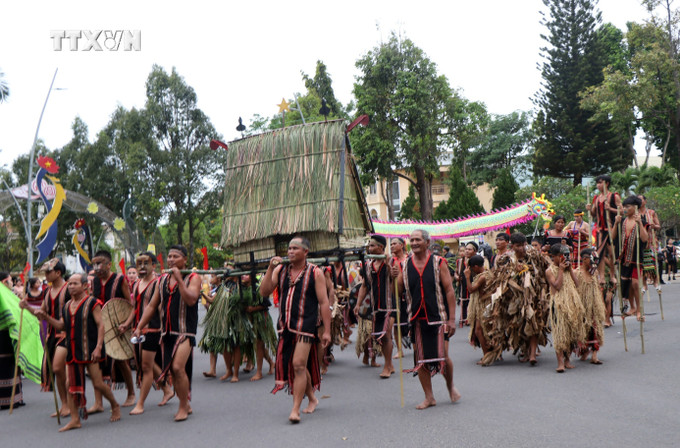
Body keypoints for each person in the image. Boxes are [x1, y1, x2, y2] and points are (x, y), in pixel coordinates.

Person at [259, 236, 331, 423]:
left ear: (305, 252)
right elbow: (264, 292)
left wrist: (327, 331)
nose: (290, 251)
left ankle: (295, 409)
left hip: (306, 327)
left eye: (295, 248)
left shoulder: (315, 272)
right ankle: (312, 398)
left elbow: (324, 302)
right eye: (289, 248)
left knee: (298, 364)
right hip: (285, 326)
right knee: (297, 365)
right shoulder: (280, 270)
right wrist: (269, 268)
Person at [36, 274, 121, 431]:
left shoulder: (93, 303)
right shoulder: (67, 305)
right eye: (69, 284)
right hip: (74, 349)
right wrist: (46, 316)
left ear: (84, 286)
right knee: (70, 384)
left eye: (75, 284)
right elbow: (62, 326)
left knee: (98, 383)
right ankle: (75, 419)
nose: (71, 286)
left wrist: (98, 347)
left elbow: (101, 325)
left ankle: (115, 405)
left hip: (90, 349)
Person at [133, 245, 201, 422]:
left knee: (178, 367)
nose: (171, 260)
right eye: (169, 256)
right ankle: (184, 401)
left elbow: (192, 300)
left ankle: (182, 407)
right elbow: (152, 306)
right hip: (167, 333)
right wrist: (140, 326)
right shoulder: (162, 280)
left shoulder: (193, 278)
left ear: (185, 260)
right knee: (174, 370)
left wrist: (179, 280)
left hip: (185, 331)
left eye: (175, 256)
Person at [397, 229, 460, 409]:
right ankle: (429, 397)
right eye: (412, 240)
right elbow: (398, 290)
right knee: (420, 360)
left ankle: (450, 387)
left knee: (443, 356)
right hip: (416, 318)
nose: (414, 243)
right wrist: (393, 277)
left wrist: (451, 319)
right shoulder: (404, 265)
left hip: (438, 317)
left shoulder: (439, 263)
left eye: (417, 239)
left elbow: (449, 291)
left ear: (427, 242)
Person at [482, 233, 550, 366]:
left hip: (532, 296)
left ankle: (531, 355)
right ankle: (523, 349)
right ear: (512, 246)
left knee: (533, 320)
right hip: (513, 297)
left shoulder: (534, 256)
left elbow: (543, 271)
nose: (522, 248)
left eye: (524, 245)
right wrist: (513, 270)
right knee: (519, 324)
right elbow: (498, 277)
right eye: (518, 246)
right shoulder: (506, 259)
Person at [19, 259, 70, 417]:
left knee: (58, 369)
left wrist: (46, 317)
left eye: (48, 272)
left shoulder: (69, 289)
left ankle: (72, 405)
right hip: (52, 336)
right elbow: (41, 314)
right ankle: (65, 405)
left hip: (68, 335)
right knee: (57, 372)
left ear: (58, 273)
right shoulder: (48, 292)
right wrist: (27, 307)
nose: (46, 275)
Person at [127, 252, 174, 415]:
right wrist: (127, 324)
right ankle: (167, 389)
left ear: (154, 265)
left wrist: (165, 330)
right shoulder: (136, 283)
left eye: (145, 263)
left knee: (146, 366)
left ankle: (140, 403)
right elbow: (135, 308)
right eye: (138, 263)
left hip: (154, 329)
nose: (141, 267)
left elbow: (162, 308)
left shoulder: (160, 283)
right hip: (139, 329)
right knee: (146, 364)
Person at [89, 250, 135, 412]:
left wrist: (126, 324)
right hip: (99, 326)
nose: (96, 267)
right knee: (97, 364)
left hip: (118, 325)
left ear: (109, 265)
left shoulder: (120, 279)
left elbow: (130, 305)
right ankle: (98, 403)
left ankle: (131, 393)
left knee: (121, 359)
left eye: (99, 263)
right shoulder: (94, 281)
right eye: (94, 264)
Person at [355, 235, 395, 379]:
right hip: (375, 306)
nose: (370, 249)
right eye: (369, 246)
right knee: (380, 336)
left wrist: (391, 267)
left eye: (372, 246)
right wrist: (358, 304)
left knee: (386, 335)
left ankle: (387, 366)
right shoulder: (368, 266)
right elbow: (365, 286)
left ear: (381, 248)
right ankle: (389, 364)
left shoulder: (390, 261)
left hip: (390, 305)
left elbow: (396, 279)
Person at [545, 244, 586, 373]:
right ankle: (560, 363)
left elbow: (577, 284)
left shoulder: (569, 268)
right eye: (563, 255)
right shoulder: (549, 271)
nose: (565, 258)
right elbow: (557, 286)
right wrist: (561, 271)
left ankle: (568, 360)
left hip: (571, 302)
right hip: (558, 303)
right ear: (555, 256)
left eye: (567, 255)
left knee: (570, 332)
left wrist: (570, 270)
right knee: (559, 333)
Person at [612, 196, 648, 321]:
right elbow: (612, 237)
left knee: (636, 283)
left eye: (628, 207)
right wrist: (616, 223)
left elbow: (645, 239)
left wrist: (640, 224)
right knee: (626, 284)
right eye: (624, 207)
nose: (625, 209)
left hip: (636, 258)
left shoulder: (641, 221)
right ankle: (632, 307)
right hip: (623, 258)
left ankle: (639, 309)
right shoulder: (621, 221)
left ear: (635, 207)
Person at [588, 174, 622, 288]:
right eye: (597, 183)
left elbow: (621, 211)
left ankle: (612, 275)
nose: (598, 185)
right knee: (600, 253)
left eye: (600, 182)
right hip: (600, 230)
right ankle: (601, 276)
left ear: (606, 183)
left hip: (612, 228)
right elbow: (593, 214)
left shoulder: (614, 196)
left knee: (612, 253)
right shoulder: (597, 198)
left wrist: (610, 209)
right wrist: (590, 209)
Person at [576, 248, 606, 364]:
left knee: (595, 328)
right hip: (581, 306)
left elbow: (598, 288)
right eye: (592, 259)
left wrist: (601, 304)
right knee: (583, 329)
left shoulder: (595, 273)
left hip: (594, 305)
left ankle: (594, 354)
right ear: (584, 259)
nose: (594, 263)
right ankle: (584, 351)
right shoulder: (576, 273)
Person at [244, 275, 276, 381]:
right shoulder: (243, 289)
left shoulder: (258, 288)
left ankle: (259, 372)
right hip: (251, 321)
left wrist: (253, 308)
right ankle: (271, 363)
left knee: (259, 344)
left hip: (261, 320)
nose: (244, 276)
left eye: (246, 275)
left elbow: (267, 304)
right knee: (259, 345)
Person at [0, 272, 25, 410]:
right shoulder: (3, 295)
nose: (12, 284)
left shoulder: (8, 295)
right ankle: (9, 400)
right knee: (7, 365)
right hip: (4, 335)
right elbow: (10, 316)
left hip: (4, 335)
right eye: (10, 281)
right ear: (4, 282)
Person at [465, 255, 493, 365]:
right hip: (486, 305)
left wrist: (467, 277)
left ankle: (486, 355)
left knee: (479, 330)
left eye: (471, 268)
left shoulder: (482, 277)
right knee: (485, 330)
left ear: (476, 267)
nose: (471, 271)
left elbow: (471, 290)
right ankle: (490, 353)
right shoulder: (488, 272)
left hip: (484, 306)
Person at [638, 195, 662, 293]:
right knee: (642, 264)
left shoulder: (651, 212)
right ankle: (644, 284)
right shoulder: (635, 213)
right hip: (641, 242)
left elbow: (658, 226)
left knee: (653, 262)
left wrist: (654, 226)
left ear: (645, 201)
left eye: (641, 199)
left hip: (652, 241)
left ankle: (655, 281)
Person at [390, 237, 409, 359]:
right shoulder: (390, 261)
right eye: (391, 244)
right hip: (395, 295)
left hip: (409, 294)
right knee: (396, 324)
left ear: (402, 245)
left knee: (411, 321)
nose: (391, 246)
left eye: (394, 243)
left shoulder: (410, 259)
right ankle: (399, 349)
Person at [455, 242, 478, 327]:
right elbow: (456, 273)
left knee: (472, 301)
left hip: (473, 284)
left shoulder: (476, 261)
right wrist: (457, 277)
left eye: (469, 249)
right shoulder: (459, 261)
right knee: (462, 302)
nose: (466, 251)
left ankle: (470, 319)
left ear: (474, 251)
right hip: (463, 285)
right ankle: (462, 319)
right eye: (466, 250)